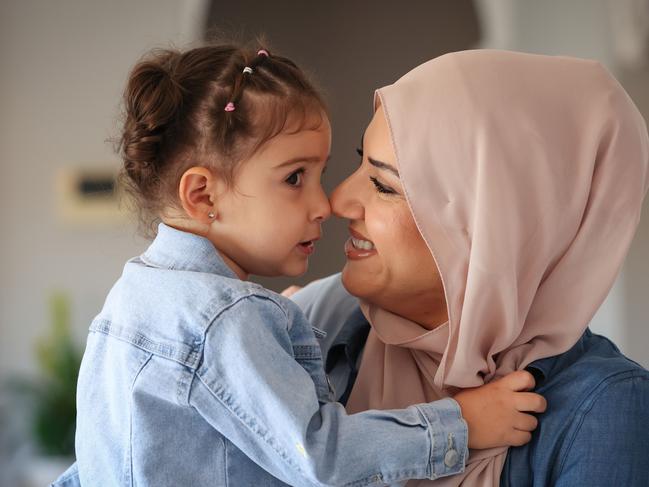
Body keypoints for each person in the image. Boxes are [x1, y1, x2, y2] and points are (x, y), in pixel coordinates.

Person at [50, 45, 545, 487]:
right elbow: (320, 458)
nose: (323, 204)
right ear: (202, 195)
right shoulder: (226, 319)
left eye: (319, 174)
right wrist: (460, 422)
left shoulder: (130, 298)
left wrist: (266, 337)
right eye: (294, 178)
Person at [289, 49, 649, 486]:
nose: (337, 201)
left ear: (494, 229)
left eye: (384, 185)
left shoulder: (603, 408)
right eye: (358, 161)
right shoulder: (311, 336)